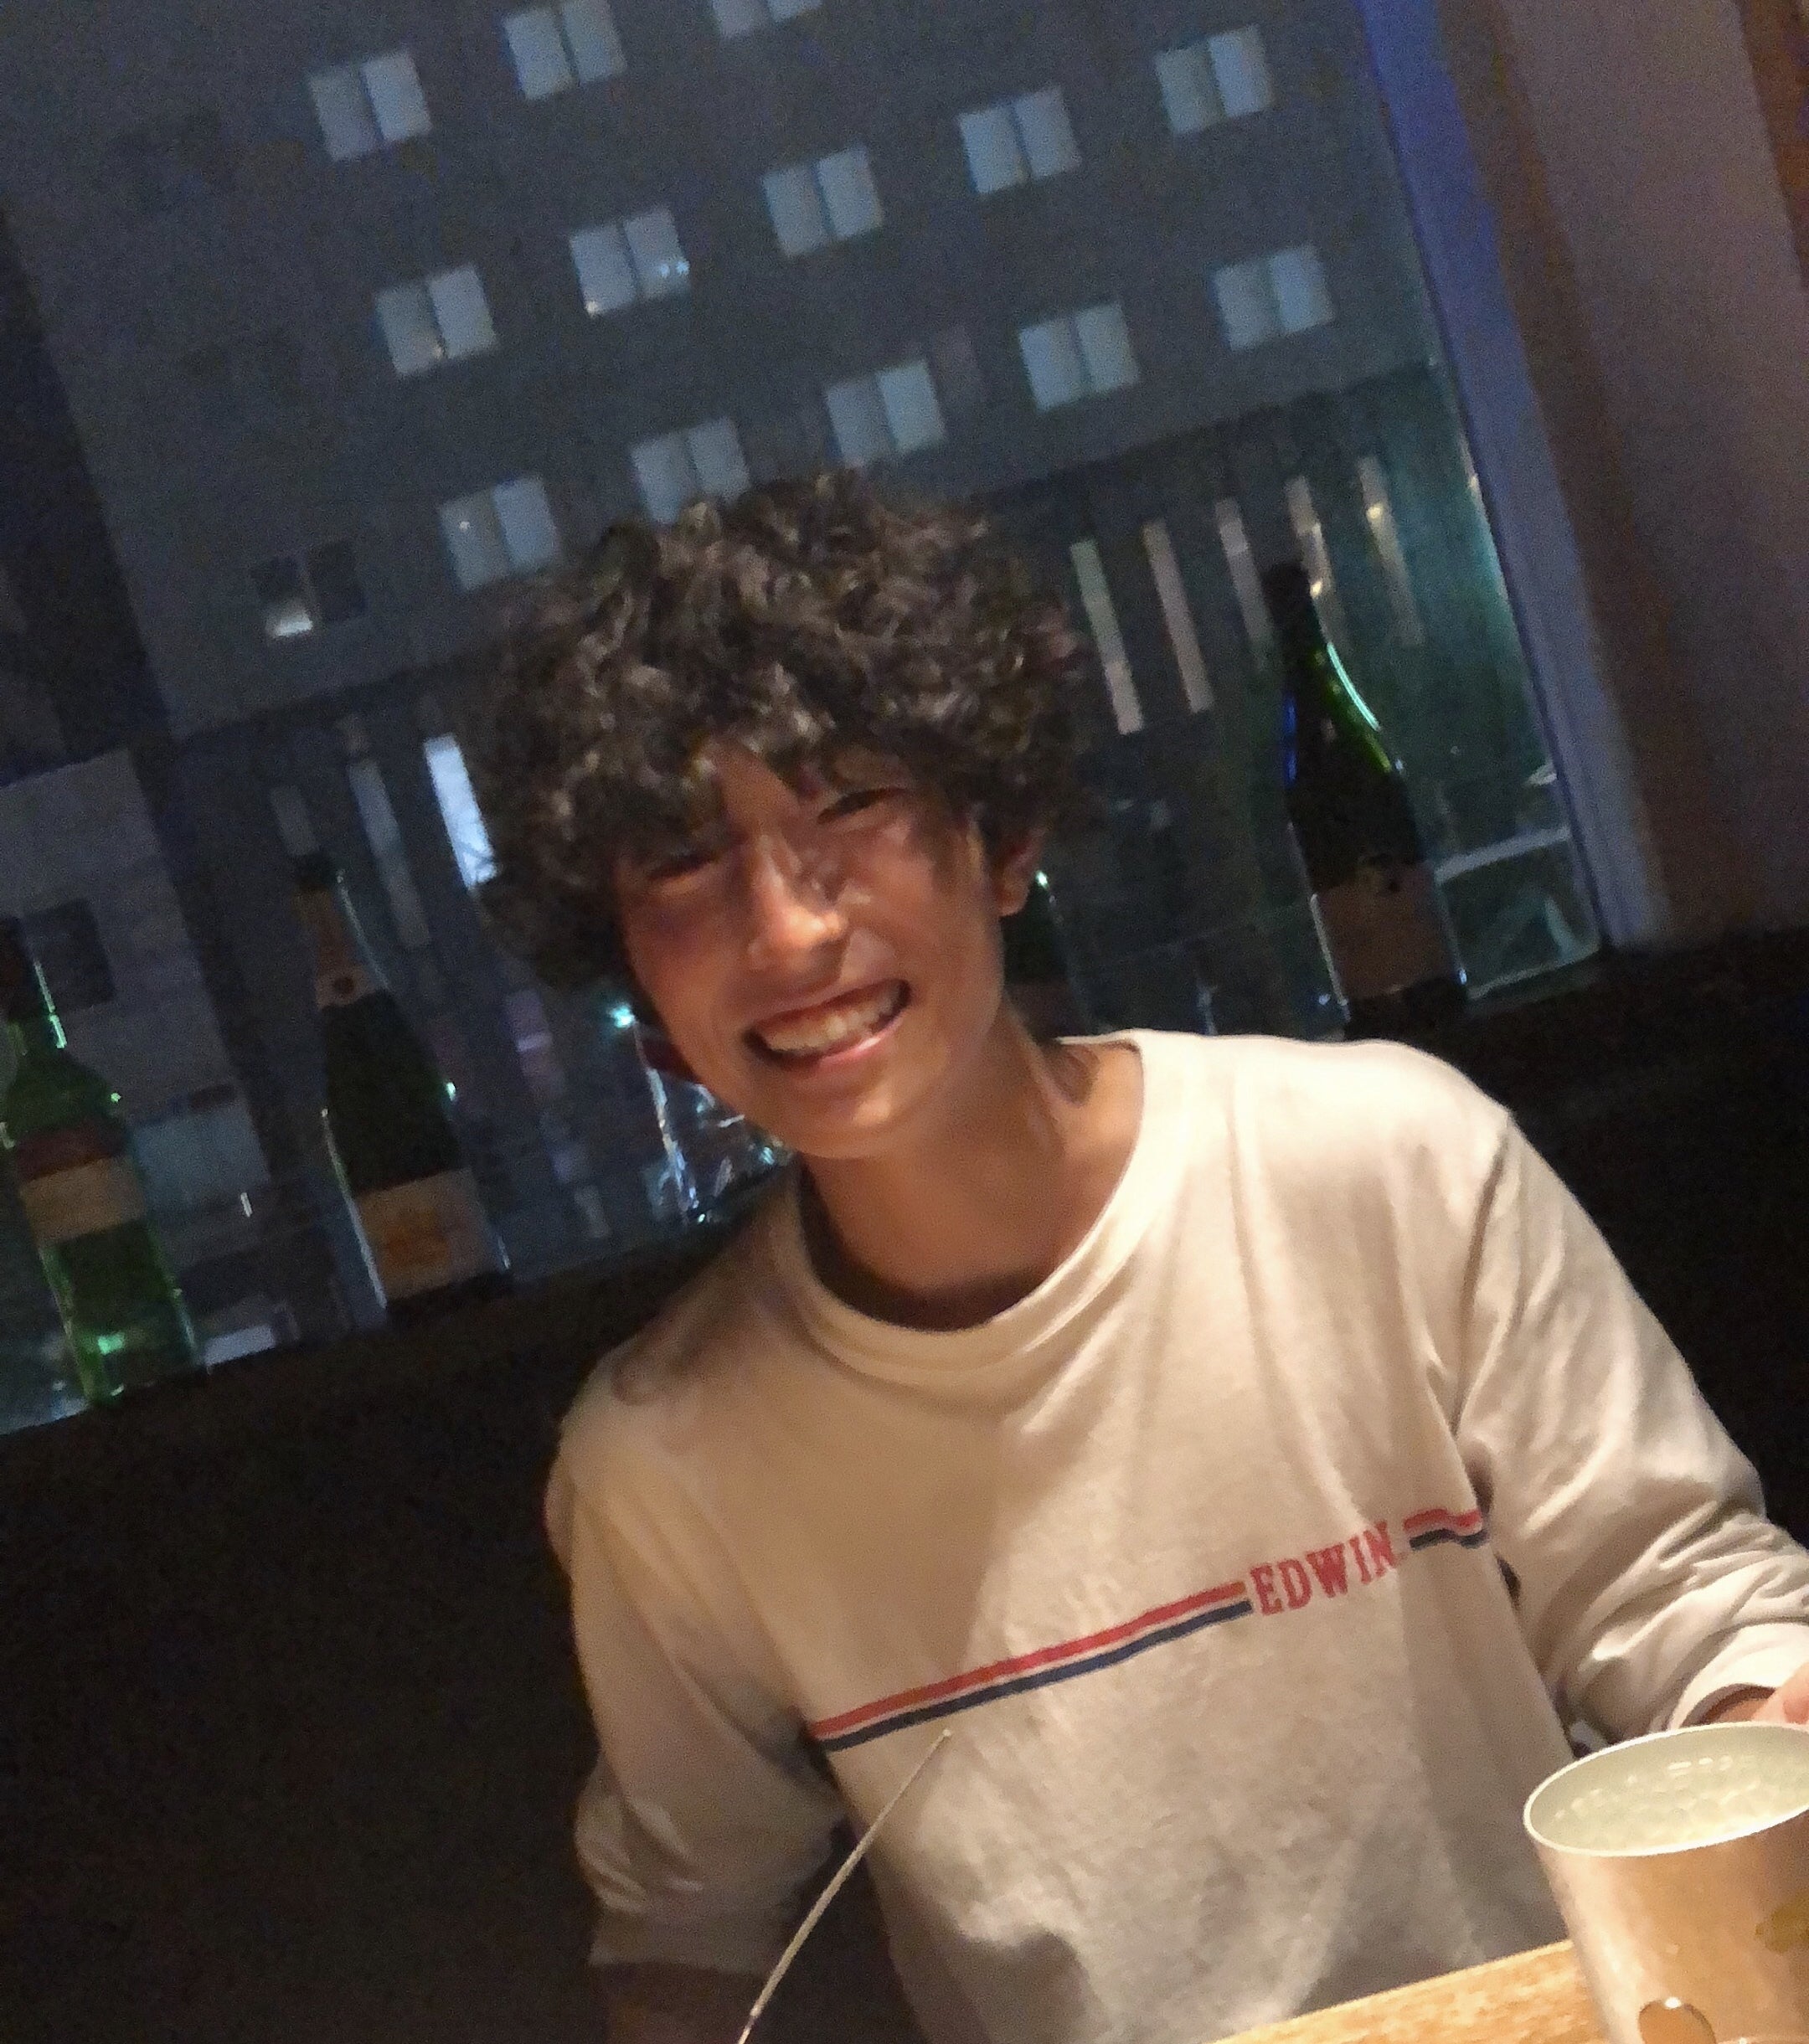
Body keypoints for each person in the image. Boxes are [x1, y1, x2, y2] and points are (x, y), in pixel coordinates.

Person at [477, 471, 1809, 2044]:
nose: (788, 931)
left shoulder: (1384, 1166)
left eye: (851, 807)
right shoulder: (665, 1460)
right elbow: (690, 1938)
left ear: (1000, 837)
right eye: (684, 865)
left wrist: (1763, 1740)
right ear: (632, 972)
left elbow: (1688, 1608)